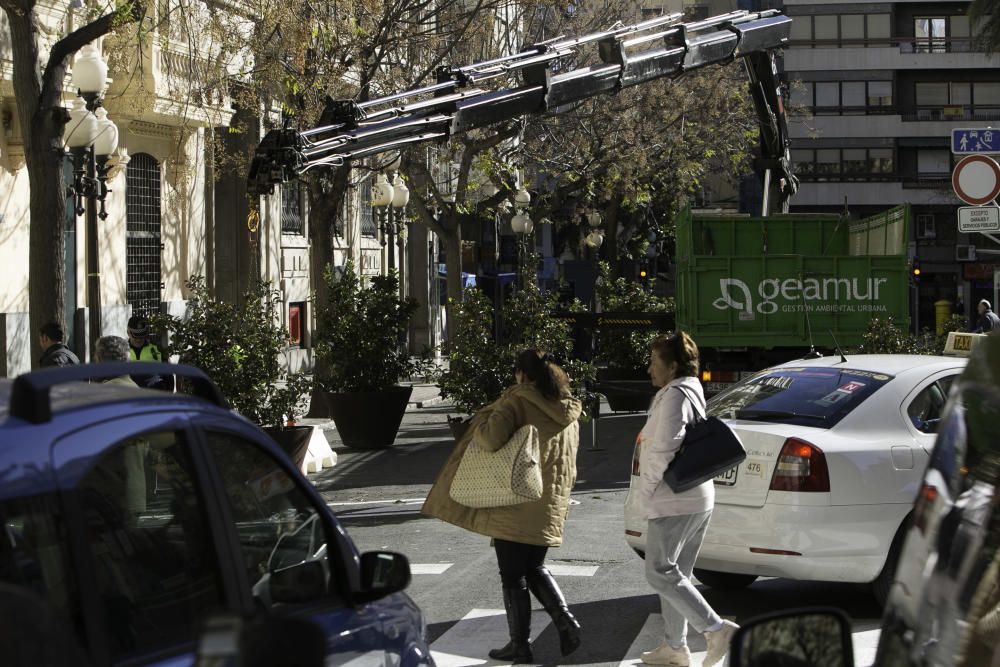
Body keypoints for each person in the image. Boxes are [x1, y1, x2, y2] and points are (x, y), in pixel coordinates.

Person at [422, 350, 583, 663]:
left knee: (512, 575)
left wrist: (483, 418)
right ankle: (565, 621)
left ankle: (521, 645)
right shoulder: (568, 408)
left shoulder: (516, 401)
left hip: (514, 498)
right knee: (533, 566)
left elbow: (492, 439)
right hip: (549, 500)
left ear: (522, 374)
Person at [637, 333, 738, 667]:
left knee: (659, 572)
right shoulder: (686, 391)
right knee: (675, 574)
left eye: (655, 362)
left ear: (673, 366)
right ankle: (675, 648)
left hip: (674, 499)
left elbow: (663, 446)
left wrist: (646, 489)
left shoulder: (675, 396)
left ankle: (715, 628)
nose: (650, 368)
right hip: (695, 495)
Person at [126, 314, 174, 391]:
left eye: (141, 336)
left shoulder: (157, 349)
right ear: (128, 332)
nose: (138, 340)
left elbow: (169, 378)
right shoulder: (121, 351)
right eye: (136, 336)